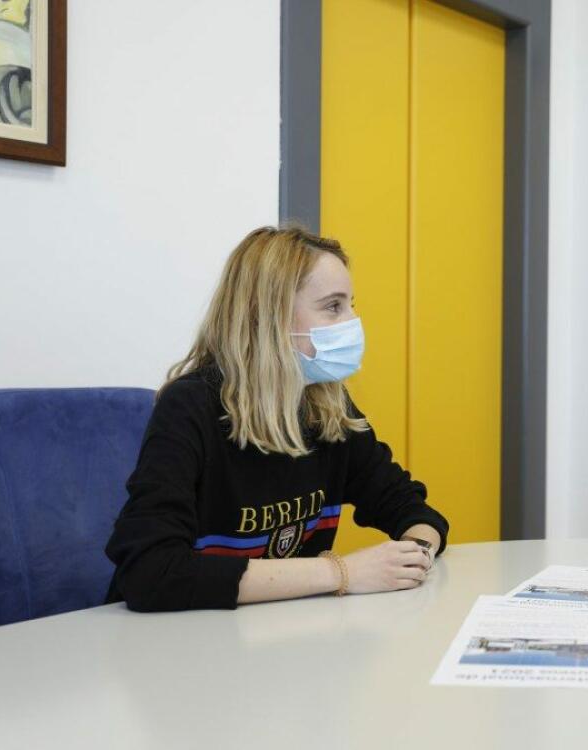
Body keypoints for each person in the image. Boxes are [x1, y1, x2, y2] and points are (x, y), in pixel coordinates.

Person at [106, 226, 448, 611]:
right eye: (334, 306)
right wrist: (342, 573)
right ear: (267, 315)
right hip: (180, 647)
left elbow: (411, 509)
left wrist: (415, 554)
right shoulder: (190, 407)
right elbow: (152, 572)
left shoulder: (327, 406)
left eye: (352, 304)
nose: (353, 322)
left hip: (278, 642)